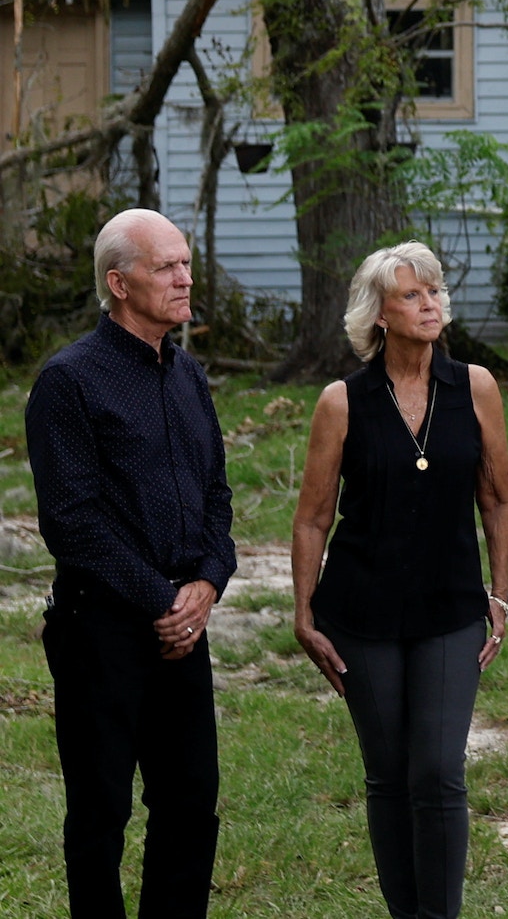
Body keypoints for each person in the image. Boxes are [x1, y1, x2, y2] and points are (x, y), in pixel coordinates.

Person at [291, 242, 508, 919]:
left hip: (450, 608)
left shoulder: (474, 387)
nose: (431, 305)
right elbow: (312, 517)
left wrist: (500, 593)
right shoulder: (342, 402)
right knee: (389, 778)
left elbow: (500, 498)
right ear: (379, 315)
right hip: (359, 613)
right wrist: (303, 613)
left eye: (436, 292)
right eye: (412, 295)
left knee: (439, 773)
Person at [26, 207, 236, 919]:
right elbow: (72, 522)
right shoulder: (69, 382)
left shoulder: (189, 377)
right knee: (101, 814)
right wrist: (164, 600)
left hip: (184, 628)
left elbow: (216, 495)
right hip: (102, 632)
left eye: (185, 262)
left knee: (190, 804)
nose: (185, 278)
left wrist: (207, 583)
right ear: (119, 284)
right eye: (166, 267)